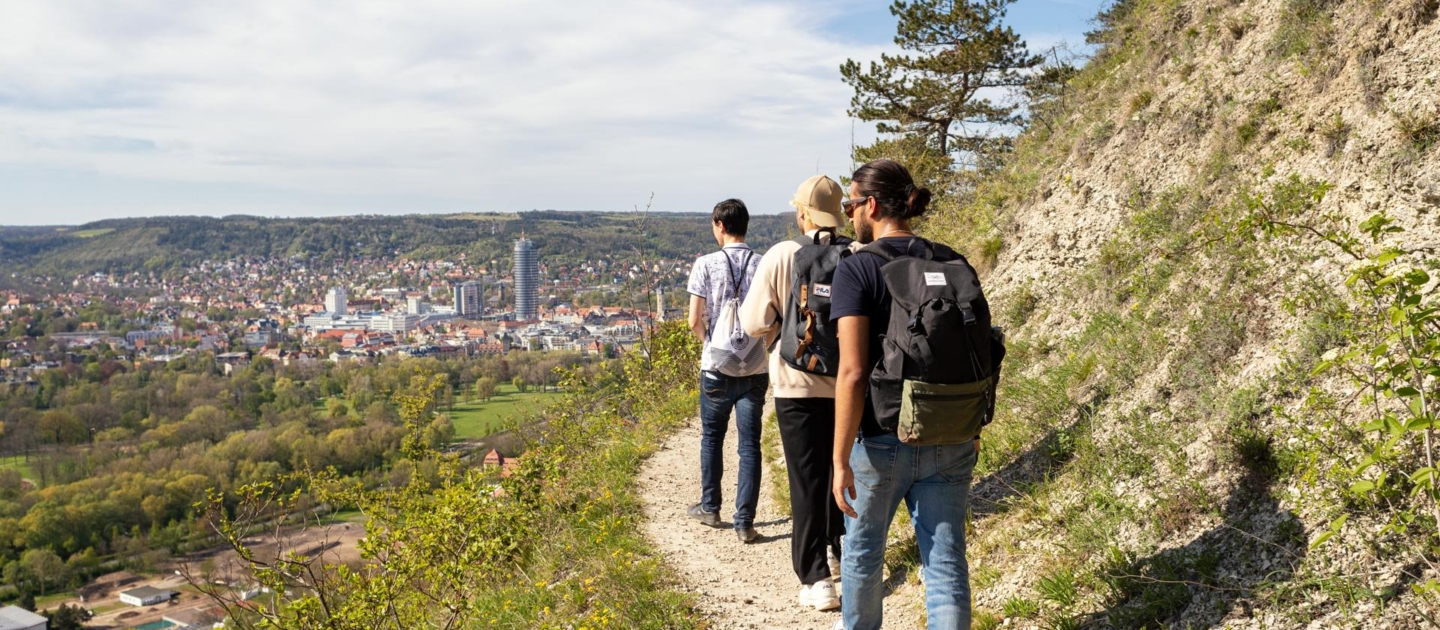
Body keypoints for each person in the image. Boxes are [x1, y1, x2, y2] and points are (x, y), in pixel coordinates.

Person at [830, 159, 982, 629]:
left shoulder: (858, 269)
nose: (850, 213)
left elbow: (853, 372)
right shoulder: (953, 262)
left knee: (863, 554)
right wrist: (973, 426)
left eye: (851, 204)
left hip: (881, 441)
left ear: (872, 205)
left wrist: (839, 459)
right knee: (945, 559)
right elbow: (978, 351)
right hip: (952, 432)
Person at [739, 175, 851, 612]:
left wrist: (780, 333)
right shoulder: (858, 254)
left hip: (796, 383)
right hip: (847, 384)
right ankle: (840, 551)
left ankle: (816, 578)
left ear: (801, 213)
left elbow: (752, 322)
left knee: (806, 479)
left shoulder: (782, 254)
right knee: (841, 469)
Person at [686, 198, 769, 543]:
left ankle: (711, 507)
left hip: (716, 368)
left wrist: (712, 345)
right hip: (755, 366)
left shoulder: (705, 264)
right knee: (750, 445)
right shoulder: (763, 264)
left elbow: (694, 320)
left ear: (720, 225)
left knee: (712, 438)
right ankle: (745, 522)